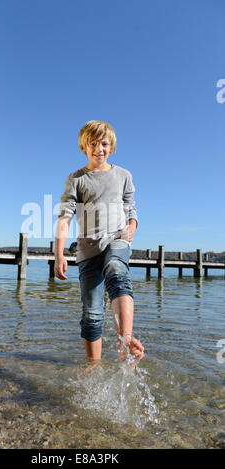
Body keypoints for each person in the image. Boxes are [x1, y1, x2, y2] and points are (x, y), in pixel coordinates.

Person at [54, 120, 144, 367]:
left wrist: (133, 225)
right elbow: (65, 217)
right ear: (84, 147)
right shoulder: (76, 179)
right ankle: (93, 367)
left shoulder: (123, 175)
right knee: (92, 316)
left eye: (104, 144)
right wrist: (59, 254)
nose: (99, 149)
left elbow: (131, 207)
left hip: (117, 240)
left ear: (111, 146)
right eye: (93, 144)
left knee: (116, 270)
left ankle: (125, 342)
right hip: (87, 249)